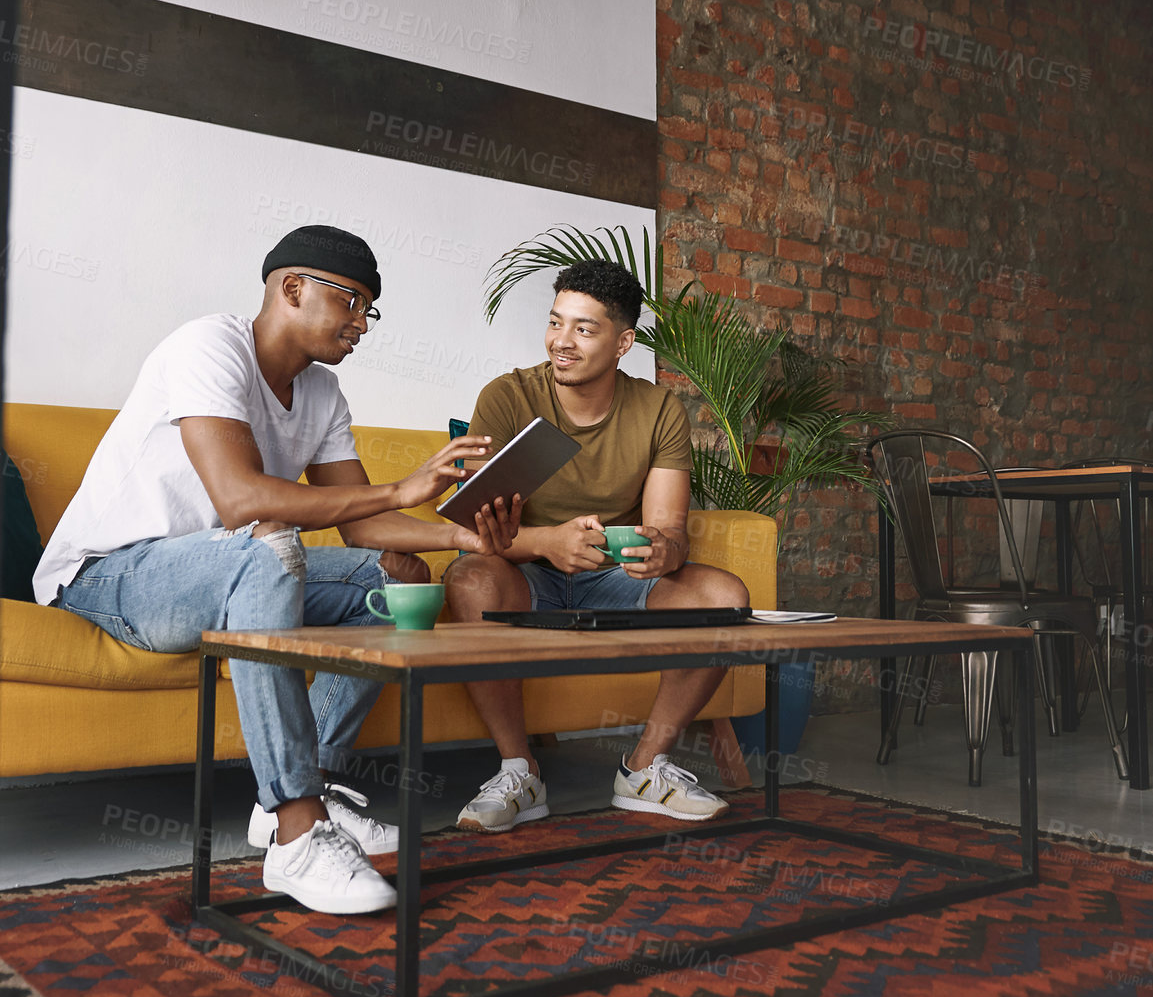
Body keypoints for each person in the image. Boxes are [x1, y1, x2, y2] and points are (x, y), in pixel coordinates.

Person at [34, 226, 519, 915]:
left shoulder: (320, 393)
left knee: (397, 576)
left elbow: (363, 528)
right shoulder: (206, 346)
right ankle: (296, 832)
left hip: (230, 570)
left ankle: (308, 787)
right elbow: (241, 499)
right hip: (114, 574)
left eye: (369, 312)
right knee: (267, 543)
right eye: (352, 302)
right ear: (292, 289)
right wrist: (398, 489)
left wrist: (459, 535)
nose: (362, 325)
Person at [445, 260, 748, 832]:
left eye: (584, 329)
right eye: (557, 322)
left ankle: (643, 768)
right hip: (526, 574)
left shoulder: (657, 409)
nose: (562, 342)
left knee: (725, 594)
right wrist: (548, 543)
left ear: (623, 342)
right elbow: (474, 529)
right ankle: (518, 771)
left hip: (614, 577)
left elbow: (669, 530)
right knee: (470, 577)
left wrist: (665, 552)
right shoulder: (508, 397)